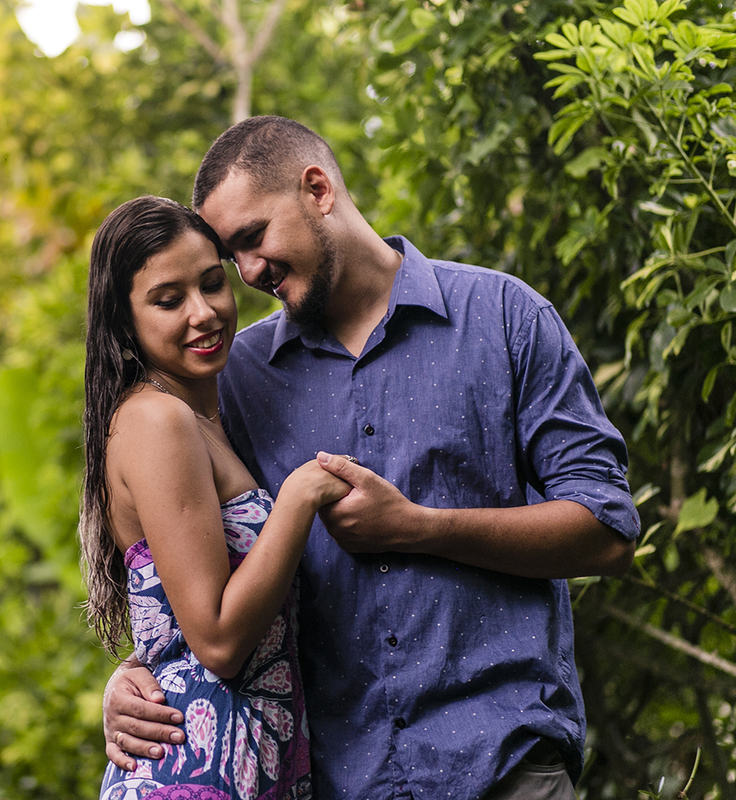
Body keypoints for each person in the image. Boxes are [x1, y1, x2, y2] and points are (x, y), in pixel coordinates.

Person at [101, 117, 641, 800]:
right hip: (335, 781)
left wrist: (421, 527)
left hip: (503, 765)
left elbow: (608, 532)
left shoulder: (505, 318)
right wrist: (137, 677)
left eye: (253, 237)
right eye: (233, 258)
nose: (250, 272)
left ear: (318, 190)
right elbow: (205, 573)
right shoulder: (233, 380)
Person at [82, 195, 354, 800]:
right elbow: (218, 641)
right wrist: (300, 495)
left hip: (244, 766)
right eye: (168, 300)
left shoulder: (207, 415)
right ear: (124, 321)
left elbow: (175, 625)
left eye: (211, 284)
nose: (203, 313)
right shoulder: (157, 421)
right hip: (192, 768)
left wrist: (133, 668)